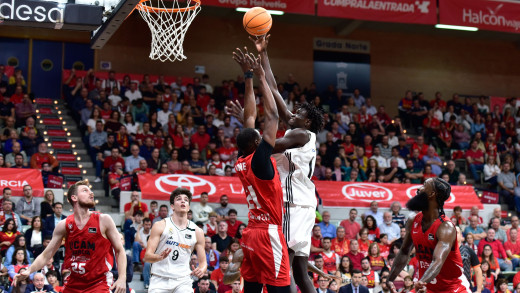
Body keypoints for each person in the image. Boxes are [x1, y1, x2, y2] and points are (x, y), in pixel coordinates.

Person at [229, 48, 290, 292]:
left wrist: (247, 77)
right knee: (280, 288)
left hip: (251, 232)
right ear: (256, 143)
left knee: (252, 289)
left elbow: (250, 119)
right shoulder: (260, 160)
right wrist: (261, 76)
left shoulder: (242, 159)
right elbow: (272, 115)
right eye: (259, 137)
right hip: (268, 235)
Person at [12, 180, 127, 293]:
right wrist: (29, 270)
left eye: (91, 191)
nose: (91, 193)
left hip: (98, 283)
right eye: (85, 190)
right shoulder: (64, 225)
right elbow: (46, 255)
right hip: (73, 283)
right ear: (74, 197)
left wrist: (122, 277)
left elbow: (119, 250)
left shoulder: (104, 220)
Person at [386, 178, 471, 293]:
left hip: (450, 289)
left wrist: (421, 282)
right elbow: (405, 251)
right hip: (427, 287)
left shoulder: (446, 227)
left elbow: (437, 261)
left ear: (431, 194)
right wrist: (390, 279)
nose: (418, 189)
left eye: (424, 186)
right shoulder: (413, 220)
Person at [143, 188, 206, 293]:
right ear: (172, 206)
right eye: (179, 199)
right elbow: (147, 256)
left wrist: (201, 269)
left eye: (186, 200)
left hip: (183, 280)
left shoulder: (197, 231)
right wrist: (159, 257)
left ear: (188, 207)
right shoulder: (160, 225)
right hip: (159, 278)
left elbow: (203, 262)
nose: (183, 201)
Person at [456, 226, 483, 292]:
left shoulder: (469, 250)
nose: (454, 234)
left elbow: (478, 271)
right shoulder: (445, 252)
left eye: (457, 232)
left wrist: (479, 290)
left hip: (466, 285)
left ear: (461, 236)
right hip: (450, 285)